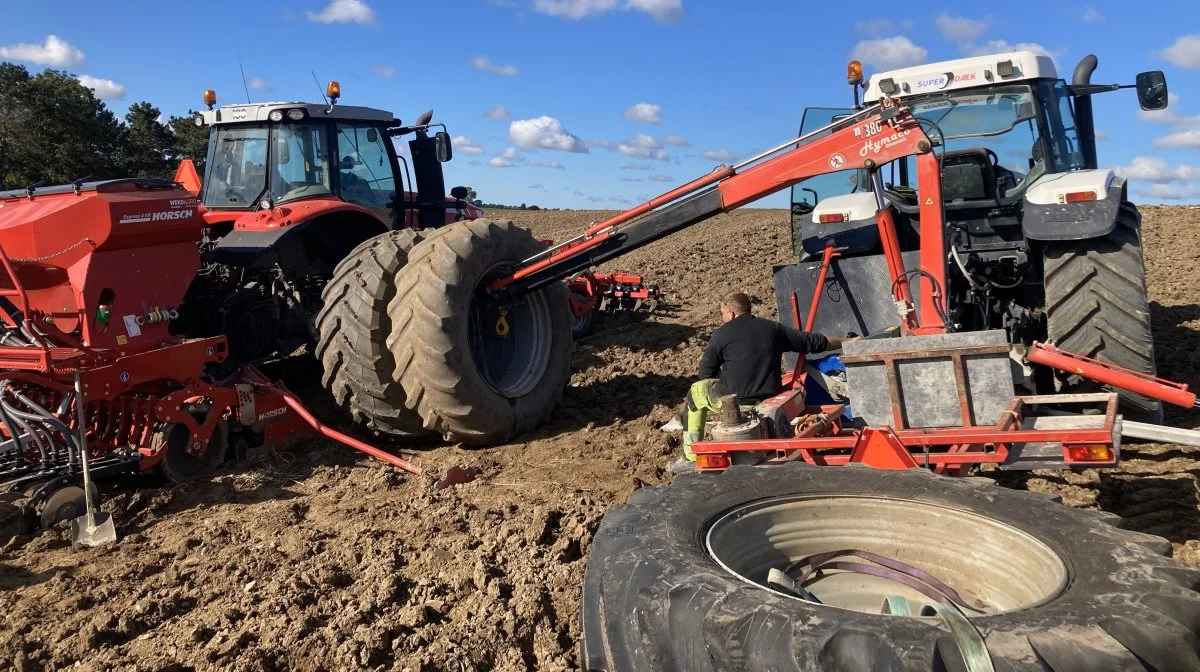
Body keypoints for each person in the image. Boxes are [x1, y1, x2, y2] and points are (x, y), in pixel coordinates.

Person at [668, 291, 854, 473]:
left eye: (722, 313)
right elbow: (813, 342)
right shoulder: (773, 328)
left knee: (695, 392)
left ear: (731, 313)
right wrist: (847, 342)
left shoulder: (721, 334)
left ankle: (689, 457)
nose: (723, 317)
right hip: (767, 395)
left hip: (735, 399)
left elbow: (706, 372)